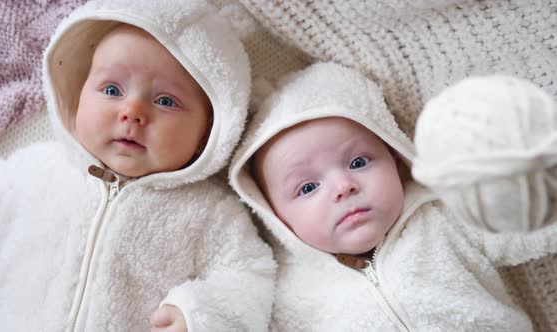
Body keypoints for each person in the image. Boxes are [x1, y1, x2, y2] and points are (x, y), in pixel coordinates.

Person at [0, 0, 275, 331]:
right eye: (112, 89)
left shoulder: (211, 212)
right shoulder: (31, 170)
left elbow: (248, 276)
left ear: (211, 130)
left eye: (166, 101)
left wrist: (199, 314)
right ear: (78, 95)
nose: (132, 111)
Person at [229, 62, 557, 331]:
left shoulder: (442, 219)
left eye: (358, 162)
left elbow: (524, 226)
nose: (343, 186)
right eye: (308, 187)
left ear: (396, 160)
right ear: (272, 213)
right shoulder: (286, 290)